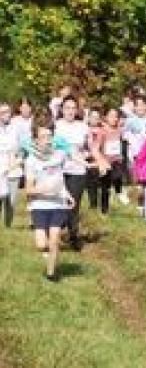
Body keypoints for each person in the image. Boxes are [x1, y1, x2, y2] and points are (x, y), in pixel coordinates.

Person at [25, 118, 75, 282]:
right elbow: (28, 189)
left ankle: (51, 273)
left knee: (54, 239)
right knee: (41, 244)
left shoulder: (59, 155)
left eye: (50, 136)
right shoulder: (31, 160)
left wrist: (67, 194)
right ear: (36, 140)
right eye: (43, 137)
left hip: (57, 203)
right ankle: (47, 253)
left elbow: (60, 179)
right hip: (39, 205)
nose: (47, 140)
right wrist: (43, 190)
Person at [54, 96, 89, 251]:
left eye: (73, 108)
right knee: (60, 202)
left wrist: (87, 156)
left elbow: (89, 146)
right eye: (67, 108)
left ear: (77, 110)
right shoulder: (56, 126)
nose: (70, 111)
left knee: (74, 203)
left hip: (77, 169)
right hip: (58, 170)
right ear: (62, 109)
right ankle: (57, 230)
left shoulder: (82, 127)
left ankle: (73, 236)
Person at [0, 102, 20, 228]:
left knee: (11, 201)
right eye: (2, 112)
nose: (5, 114)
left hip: (13, 168)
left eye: (7, 111)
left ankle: (8, 225)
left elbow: (22, 146)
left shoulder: (16, 127)